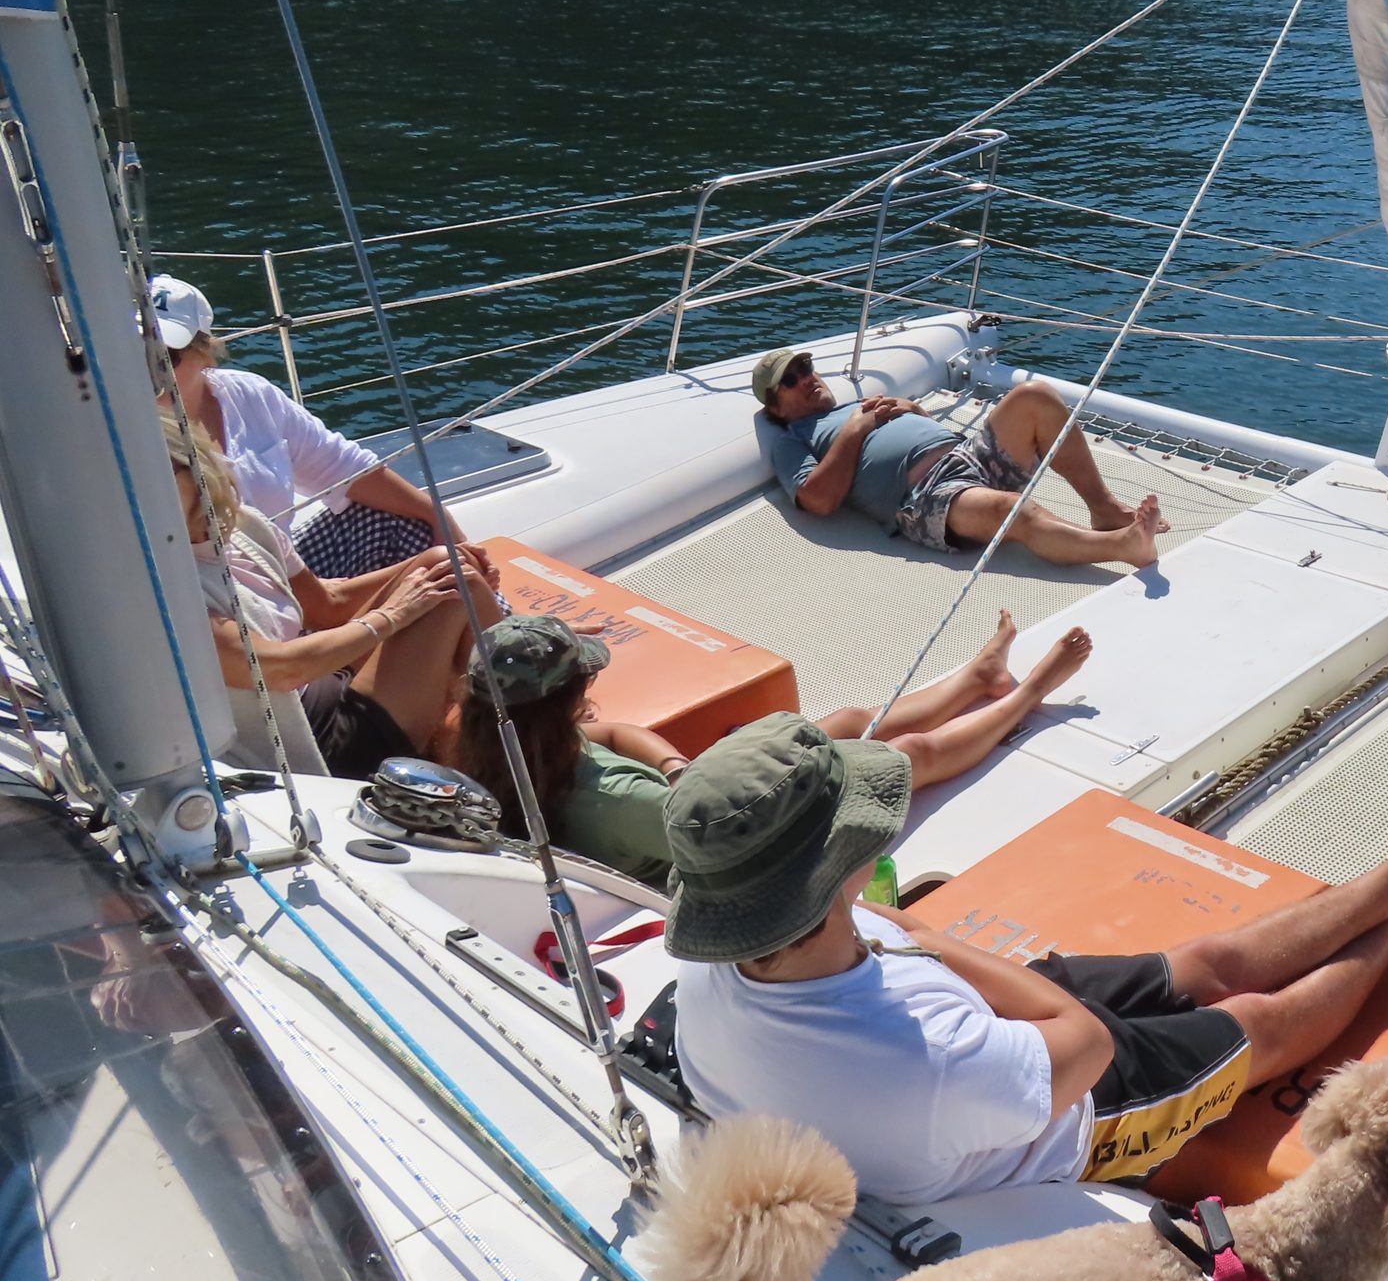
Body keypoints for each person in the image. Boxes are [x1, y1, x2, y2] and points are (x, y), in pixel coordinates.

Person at [663, 713, 1388, 1205]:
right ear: (834, 876)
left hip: (927, 1005)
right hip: (1059, 1116)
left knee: (1195, 963)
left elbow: (889, 963)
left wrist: (908, 940)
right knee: (1251, 1022)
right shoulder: (928, 1066)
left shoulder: (722, 962)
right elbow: (1087, 1043)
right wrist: (931, 940)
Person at [446, 609, 1093, 887]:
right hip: (739, 836)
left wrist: (676, 766)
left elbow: (613, 736)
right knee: (911, 756)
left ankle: (977, 680)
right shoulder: (616, 800)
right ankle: (1029, 691)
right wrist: (686, 784)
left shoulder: (507, 748)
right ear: (563, 699)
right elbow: (723, 844)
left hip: (695, 806)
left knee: (839, 719)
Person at [166, 412, 503, 778]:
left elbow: (327, 604)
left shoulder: (246, 530)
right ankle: (529, 721)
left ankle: (512, 718)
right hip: (313, 744)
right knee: (458, 588)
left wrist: (424, 564)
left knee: (445, 565)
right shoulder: (170, 590)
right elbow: (278, 670)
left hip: (323, 680)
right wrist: (393, 614)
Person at [150, 273, 467, 578]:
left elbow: (342, 468)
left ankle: (497, 629)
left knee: (409, 527)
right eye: (130, 351)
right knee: (433, 582)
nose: (144, 367)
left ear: (205, 353)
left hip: (282, 574)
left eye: (163, 356)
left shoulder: (249, 397)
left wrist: (436, 515)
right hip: (210, 601)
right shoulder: (119, 436)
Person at [751, 350, 1165, 568]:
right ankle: (1118, 546)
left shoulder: (859, 401)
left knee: (1034, 395)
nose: (806, 377)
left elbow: (918, 435)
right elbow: (817, 500)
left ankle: (1103, 508)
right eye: (790, 380)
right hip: (928, 495)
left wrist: (914, 412)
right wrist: (857, 429)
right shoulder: (792, 438)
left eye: (805, 367)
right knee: (1011, 511)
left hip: (968, 454)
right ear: (776, 407)